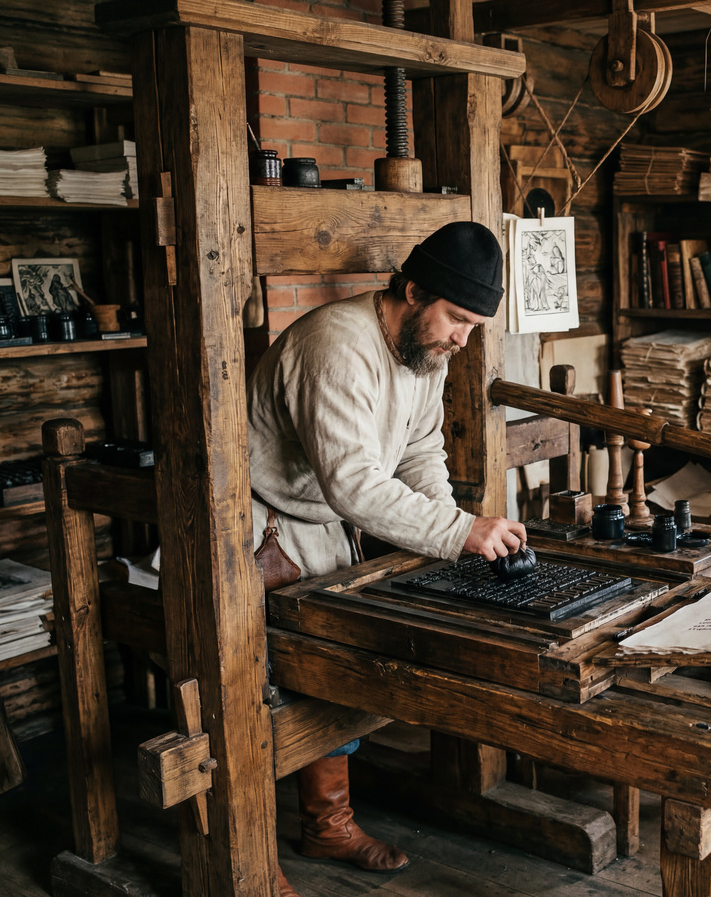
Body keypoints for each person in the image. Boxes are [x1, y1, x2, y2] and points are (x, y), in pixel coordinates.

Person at [247, 220, 527, 896]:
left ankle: (326, 823)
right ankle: (251, 853)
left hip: (325, 528)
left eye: (474, 325)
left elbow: (419, 454)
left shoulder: (425, 351)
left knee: (337, 666)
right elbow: (353, 484)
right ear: (412, 290)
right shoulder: (337, 346)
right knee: (271, 683)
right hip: (261, 532)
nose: (463, 338)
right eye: (457, 318)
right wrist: (457, 530)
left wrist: (450, 531)